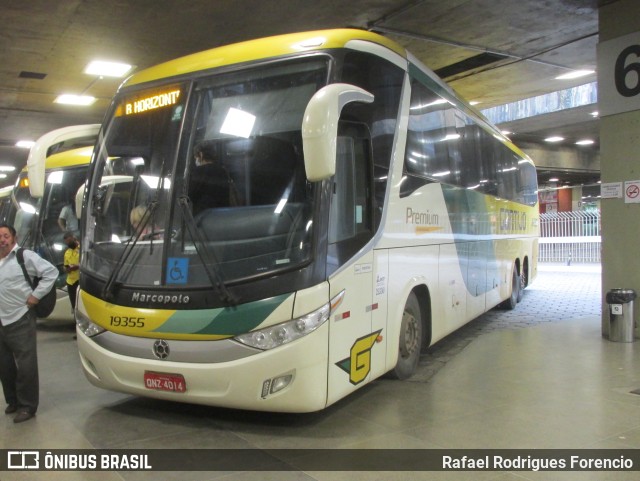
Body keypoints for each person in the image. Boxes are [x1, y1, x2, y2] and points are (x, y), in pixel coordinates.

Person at [0, 223, 58, 423]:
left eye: (5, 236)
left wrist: (36, 295)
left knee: (26, 365)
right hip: (1, 320)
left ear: (13, 238)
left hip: (21, 317)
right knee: (4, 365)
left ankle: (27, 406)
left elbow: (51, 272)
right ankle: (13, 401)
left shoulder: (23, 256)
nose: (2, 240)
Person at [188, 142, 236, 216]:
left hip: (203, 217)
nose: (196, 161)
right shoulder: (223, 170)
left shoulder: (199, 171)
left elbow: (190, 194)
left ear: (201, 154)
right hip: (222, 215)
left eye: (196, 158)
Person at [62, 232, 80, 313]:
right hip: (70, 281)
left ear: (74, 238)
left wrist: (77, 266)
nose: (68, 244)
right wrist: (67, 269)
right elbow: (65, 266)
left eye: (70, 241)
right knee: (74, 304)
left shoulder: (82, 249)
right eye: (67, 243)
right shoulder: (67, 252)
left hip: (80, 280)